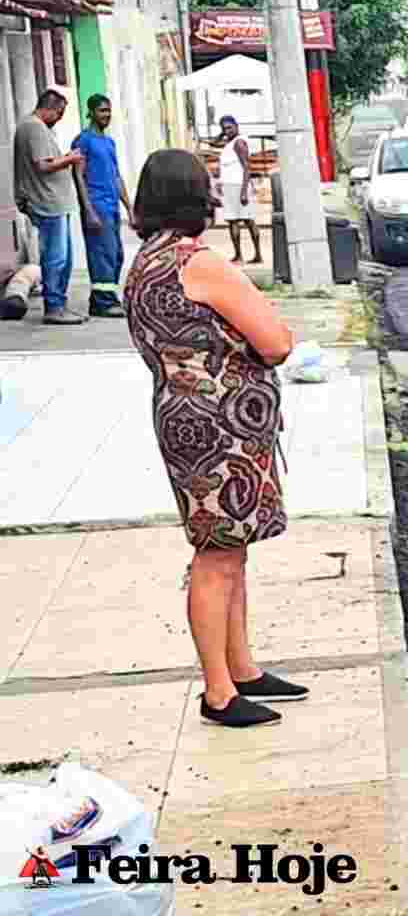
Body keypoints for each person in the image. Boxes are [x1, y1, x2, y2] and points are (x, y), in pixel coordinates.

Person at [124, 148, 305, 729]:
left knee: (228, 546)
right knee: (216, 554)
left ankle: (242, 669)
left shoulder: (143, 264)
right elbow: (275, 342)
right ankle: (219, 692)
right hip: (221, 422)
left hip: (180, 412)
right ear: (196, 197)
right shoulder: (197, 262)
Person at [13, 88, 91, 325]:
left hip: (54, 202)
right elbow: (43, 165)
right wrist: (71, 158)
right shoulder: (34, 127)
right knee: (56, 257)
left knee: (62, 257)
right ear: (51, 108)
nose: (59, 119)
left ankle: (59, 304)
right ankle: (54, 307)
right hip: (47, 203)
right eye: (59, 113)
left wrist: (66, 157)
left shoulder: (35, 127)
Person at [72, 95, 132, 318]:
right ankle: (103, 302)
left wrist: (129, 208)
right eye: (101, 111)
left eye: (108, 110)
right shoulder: (83, 140)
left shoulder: (109, 142)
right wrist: (88, 210)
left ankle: (102, 299)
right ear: (91, 112)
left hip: (112, 205)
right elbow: (78, 175)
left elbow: (117, 177)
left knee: (116, 255)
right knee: (102, 254)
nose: (106, 115)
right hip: (96, 205)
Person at [211, 116, 261, 264]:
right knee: (238, 221)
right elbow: (214, 143)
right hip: (230, 186)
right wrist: (223, 134)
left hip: (239, 186)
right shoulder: (230, 142)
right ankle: (243, 255)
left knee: (244, 221)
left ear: (236, 126)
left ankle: (249, 255)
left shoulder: (239, 143)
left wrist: (244, 191)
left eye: (229, 127)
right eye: (224, 128)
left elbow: (247, 168)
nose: (227, 131)